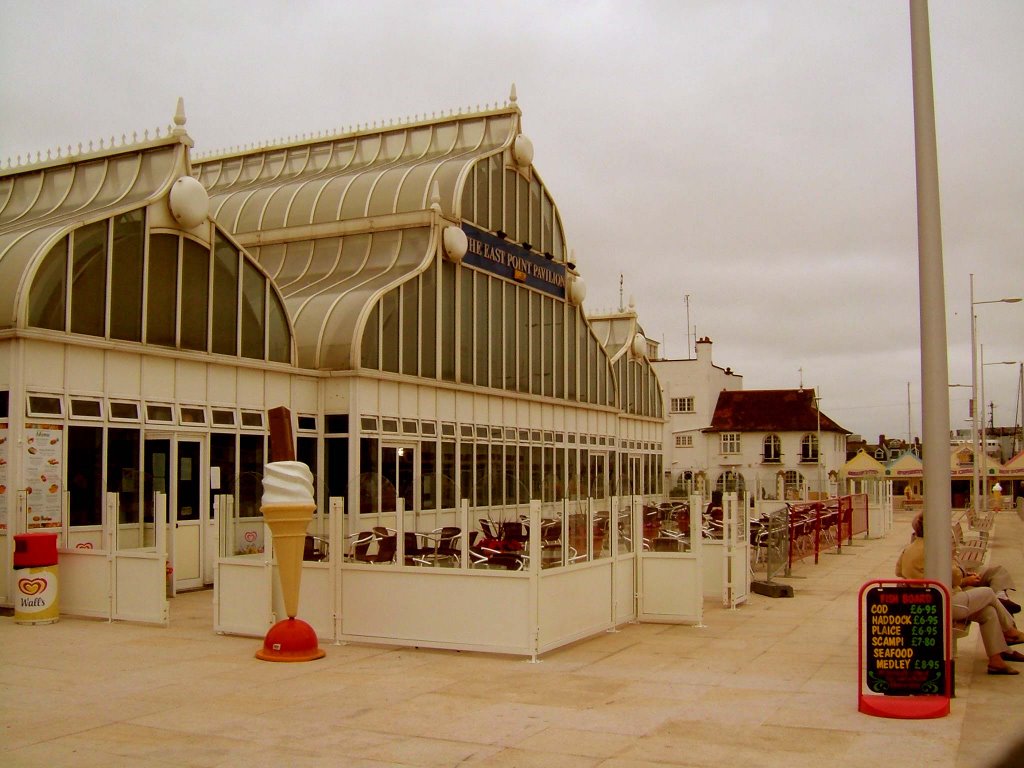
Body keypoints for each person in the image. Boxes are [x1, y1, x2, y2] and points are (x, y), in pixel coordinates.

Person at [896, 513, 1024, 675]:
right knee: (989, 593)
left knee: (988, 613)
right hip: (946, 603)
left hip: (929, 599)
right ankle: (1010, 630)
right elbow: (956, 576)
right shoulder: (933, 549)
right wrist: (952, 561)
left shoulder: (910, 548)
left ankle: (996, 661)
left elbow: (898, 570)